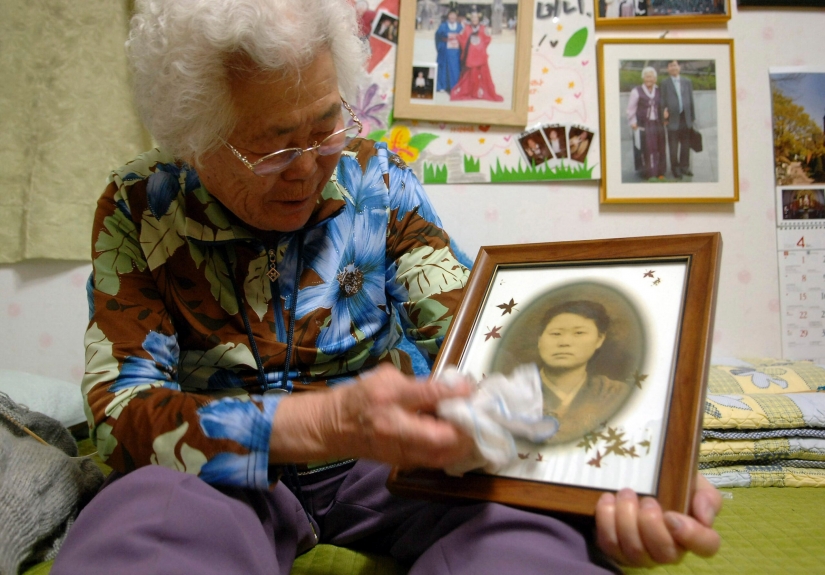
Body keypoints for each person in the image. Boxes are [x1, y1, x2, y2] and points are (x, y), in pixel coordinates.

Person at [51, 1, 723, 574]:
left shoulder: (378, 178)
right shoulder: (139, 202)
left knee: (528, 527)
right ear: (192, 142)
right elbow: (120, 419)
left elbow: (481, 337)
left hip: (389, 462)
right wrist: (310, 424)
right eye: (274, 147)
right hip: (223, 469)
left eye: (325, 126)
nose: (309, 168)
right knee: (147, 515)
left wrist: (627, 465)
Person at [536, 301, 634, 444]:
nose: (564, 342)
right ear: (540, 340)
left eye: (579, 333)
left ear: (599, 339)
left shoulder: (615, 394)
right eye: (556, 333)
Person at [450, 12, 504, 102]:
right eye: (472, 18)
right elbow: (461, 38)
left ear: (478, 19)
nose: (474, 19)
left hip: (480, 56)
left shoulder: (483, 28)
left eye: (476, 18)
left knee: (482, 74)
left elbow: (487, 39)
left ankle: (480, 91)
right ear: (470, 19)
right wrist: (468, 48)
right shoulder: (466, 28)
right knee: (469, 74)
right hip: (471, 56)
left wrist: (480, 47)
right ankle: (470, 91)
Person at [626, 66, 666, 180]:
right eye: (646, 76)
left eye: (651, 76)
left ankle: (660, 171)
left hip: (658, 123)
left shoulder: (658, 90)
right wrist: (632, 122)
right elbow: (630, 108)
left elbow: (663, 105)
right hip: (644, 124)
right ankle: (649, 173)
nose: (649, 79)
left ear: (655, 79)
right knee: (647, 148)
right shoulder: (636, 91)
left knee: (660, 147)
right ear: (643, 78)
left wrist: (665, 114)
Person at [659, 60, 696, 179]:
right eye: (670, 66)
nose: (673, 67)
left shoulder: (687, 81)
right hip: (672, 119)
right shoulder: (664, 83)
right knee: (673, 146)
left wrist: (692, 117)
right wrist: (663, 115)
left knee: (686, 145)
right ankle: (675, 168)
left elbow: (691, 100)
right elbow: (662, 101)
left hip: (686, 118)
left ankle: (685, 167)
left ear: (679, 67)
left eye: (675, 65)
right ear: (668, 69)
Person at [435, 9, 463, 93]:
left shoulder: (460, 26)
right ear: (448, 16)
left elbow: (464, 37)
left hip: (456, 51)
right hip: (445, 49)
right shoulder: (443, 26)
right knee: (443, 66)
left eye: (454, 15)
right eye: (451, 15)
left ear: (456, 17)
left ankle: (454, 86)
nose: (452, 17)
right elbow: (437, 36)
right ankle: (442, 85)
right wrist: (439, 47)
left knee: (455, 67)